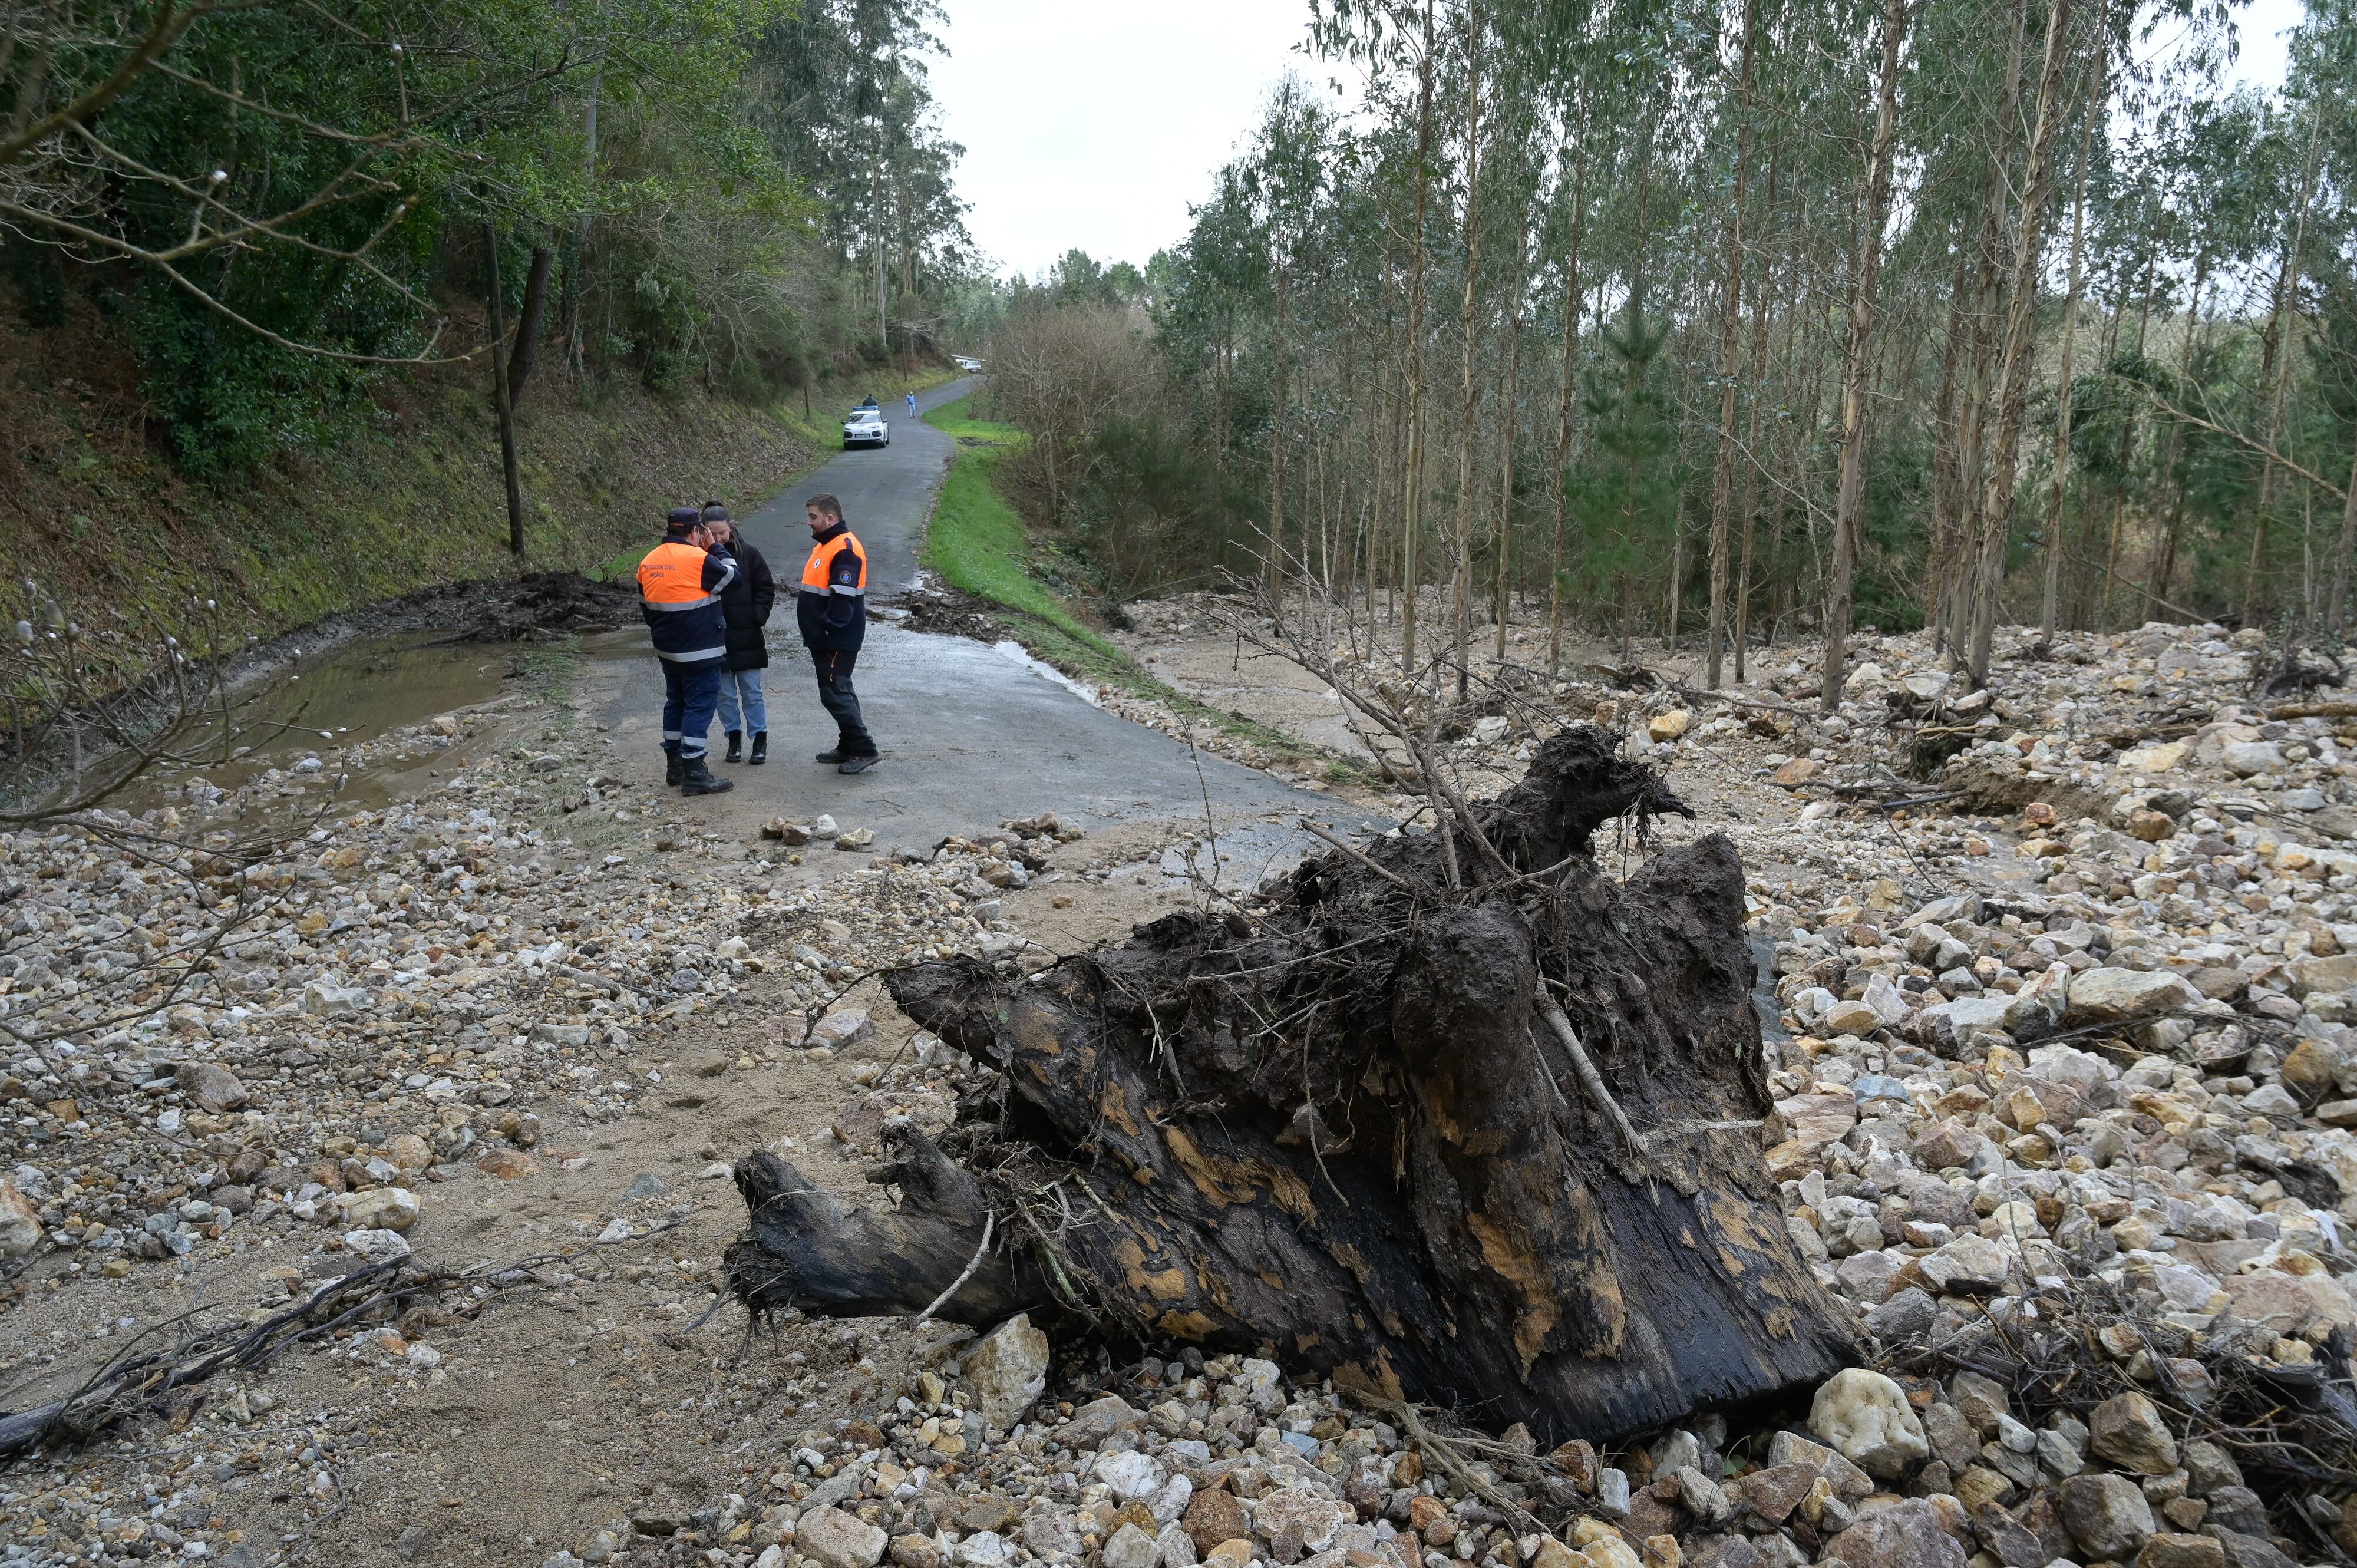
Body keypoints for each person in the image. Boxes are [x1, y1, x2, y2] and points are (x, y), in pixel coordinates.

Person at [636, 505, 736, 796]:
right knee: (699, 706)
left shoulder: (648, 561)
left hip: (668, 650)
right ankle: (694, 771)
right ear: (695, 532)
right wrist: (715, 547)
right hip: (701, 650)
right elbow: (734, 578)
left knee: (676, 702)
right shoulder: (699, 559)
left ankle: (675, 766)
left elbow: (647, 608)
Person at [797, 492, 876, 774]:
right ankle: (849, 745)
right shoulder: (826, 545)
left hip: (835, 638)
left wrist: (828, 626)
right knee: (840, 690)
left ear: (830, 518)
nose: (809, 522)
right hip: (826, 637)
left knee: (834, 693)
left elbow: (843, 598)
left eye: (813, 517)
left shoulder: (845, 548)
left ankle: (864, 749)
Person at [702, 503, 775, 765]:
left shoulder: (749, 554)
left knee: (752, 692)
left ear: (730, 527)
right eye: (712, 534)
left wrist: (757, 617)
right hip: (715, 637)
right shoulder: (699, 558)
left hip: (747, 635)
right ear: (703, 532)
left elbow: (766, 587)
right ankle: (733, 738)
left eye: (722, 533)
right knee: (724, 694)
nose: (718, 539)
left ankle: (759, 740)